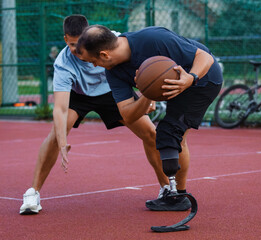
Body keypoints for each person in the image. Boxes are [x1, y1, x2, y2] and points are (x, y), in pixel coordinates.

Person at [20, 15, 188, 215]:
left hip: (112, 92)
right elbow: (60, 109)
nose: (78, 50)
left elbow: (143, 68)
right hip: (79, 95)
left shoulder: (112, 41)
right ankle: (33, 193)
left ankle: (167, 189)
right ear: (65, 39)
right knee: (57, 134)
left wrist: (149, 96)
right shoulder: (64, 63)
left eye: (81, 43)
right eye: (73, 45)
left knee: (151, 133)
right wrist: (62, 140)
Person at [76, 25, 223, 209]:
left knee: (170, 133)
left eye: (93, 62)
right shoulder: (113, 72)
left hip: (202, 78)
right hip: (175, 84)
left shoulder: (154, 40)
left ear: (104, 54)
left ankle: (178, 197)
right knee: (170, 136)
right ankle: (173, 193)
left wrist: (190, 78)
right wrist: (147, 94)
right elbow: (128, 115)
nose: (94, 66)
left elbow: (204, 57)